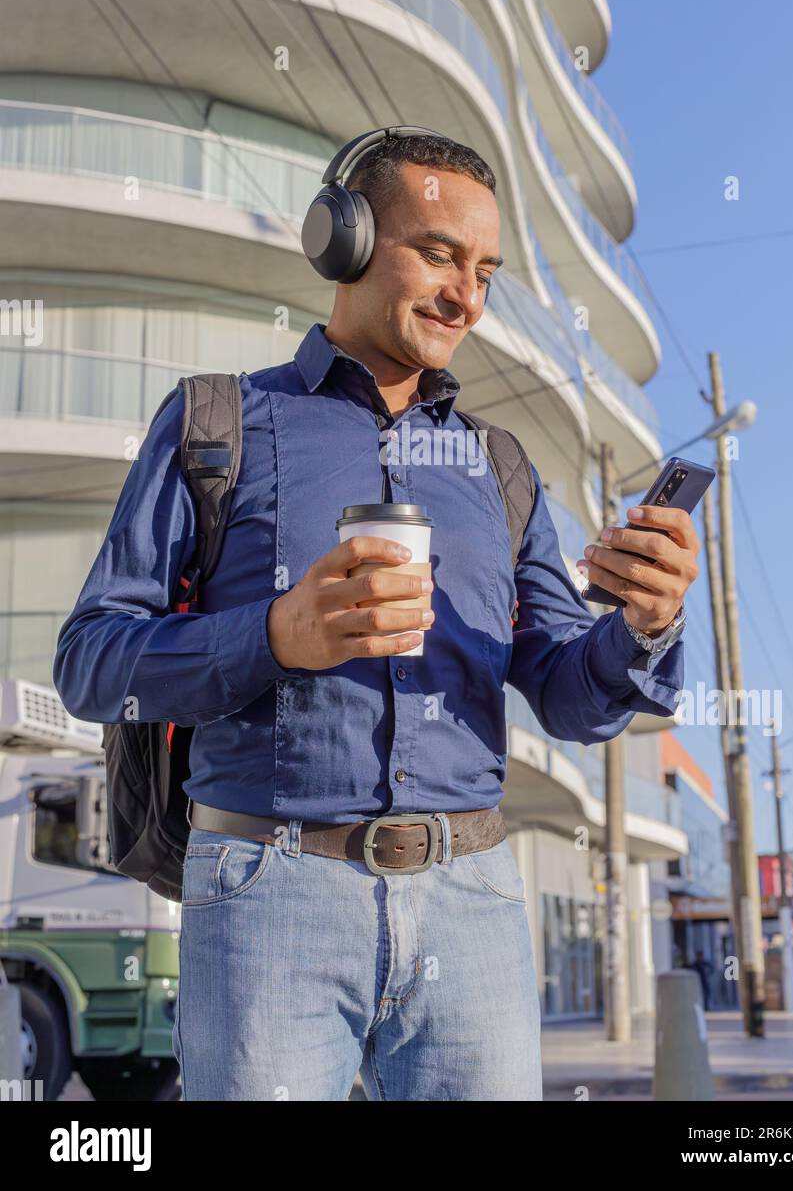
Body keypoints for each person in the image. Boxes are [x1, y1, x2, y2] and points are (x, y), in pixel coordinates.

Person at [54, 129, 701, 1102]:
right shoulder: (213, 425)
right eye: (438, 254)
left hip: (471, 897)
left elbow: (569, 695)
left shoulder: (502, 469)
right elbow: (93, 661)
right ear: (343, 238)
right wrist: (277, 635)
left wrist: (643, 626)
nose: (466, 295)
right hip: (269, 889)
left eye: (484, 270)